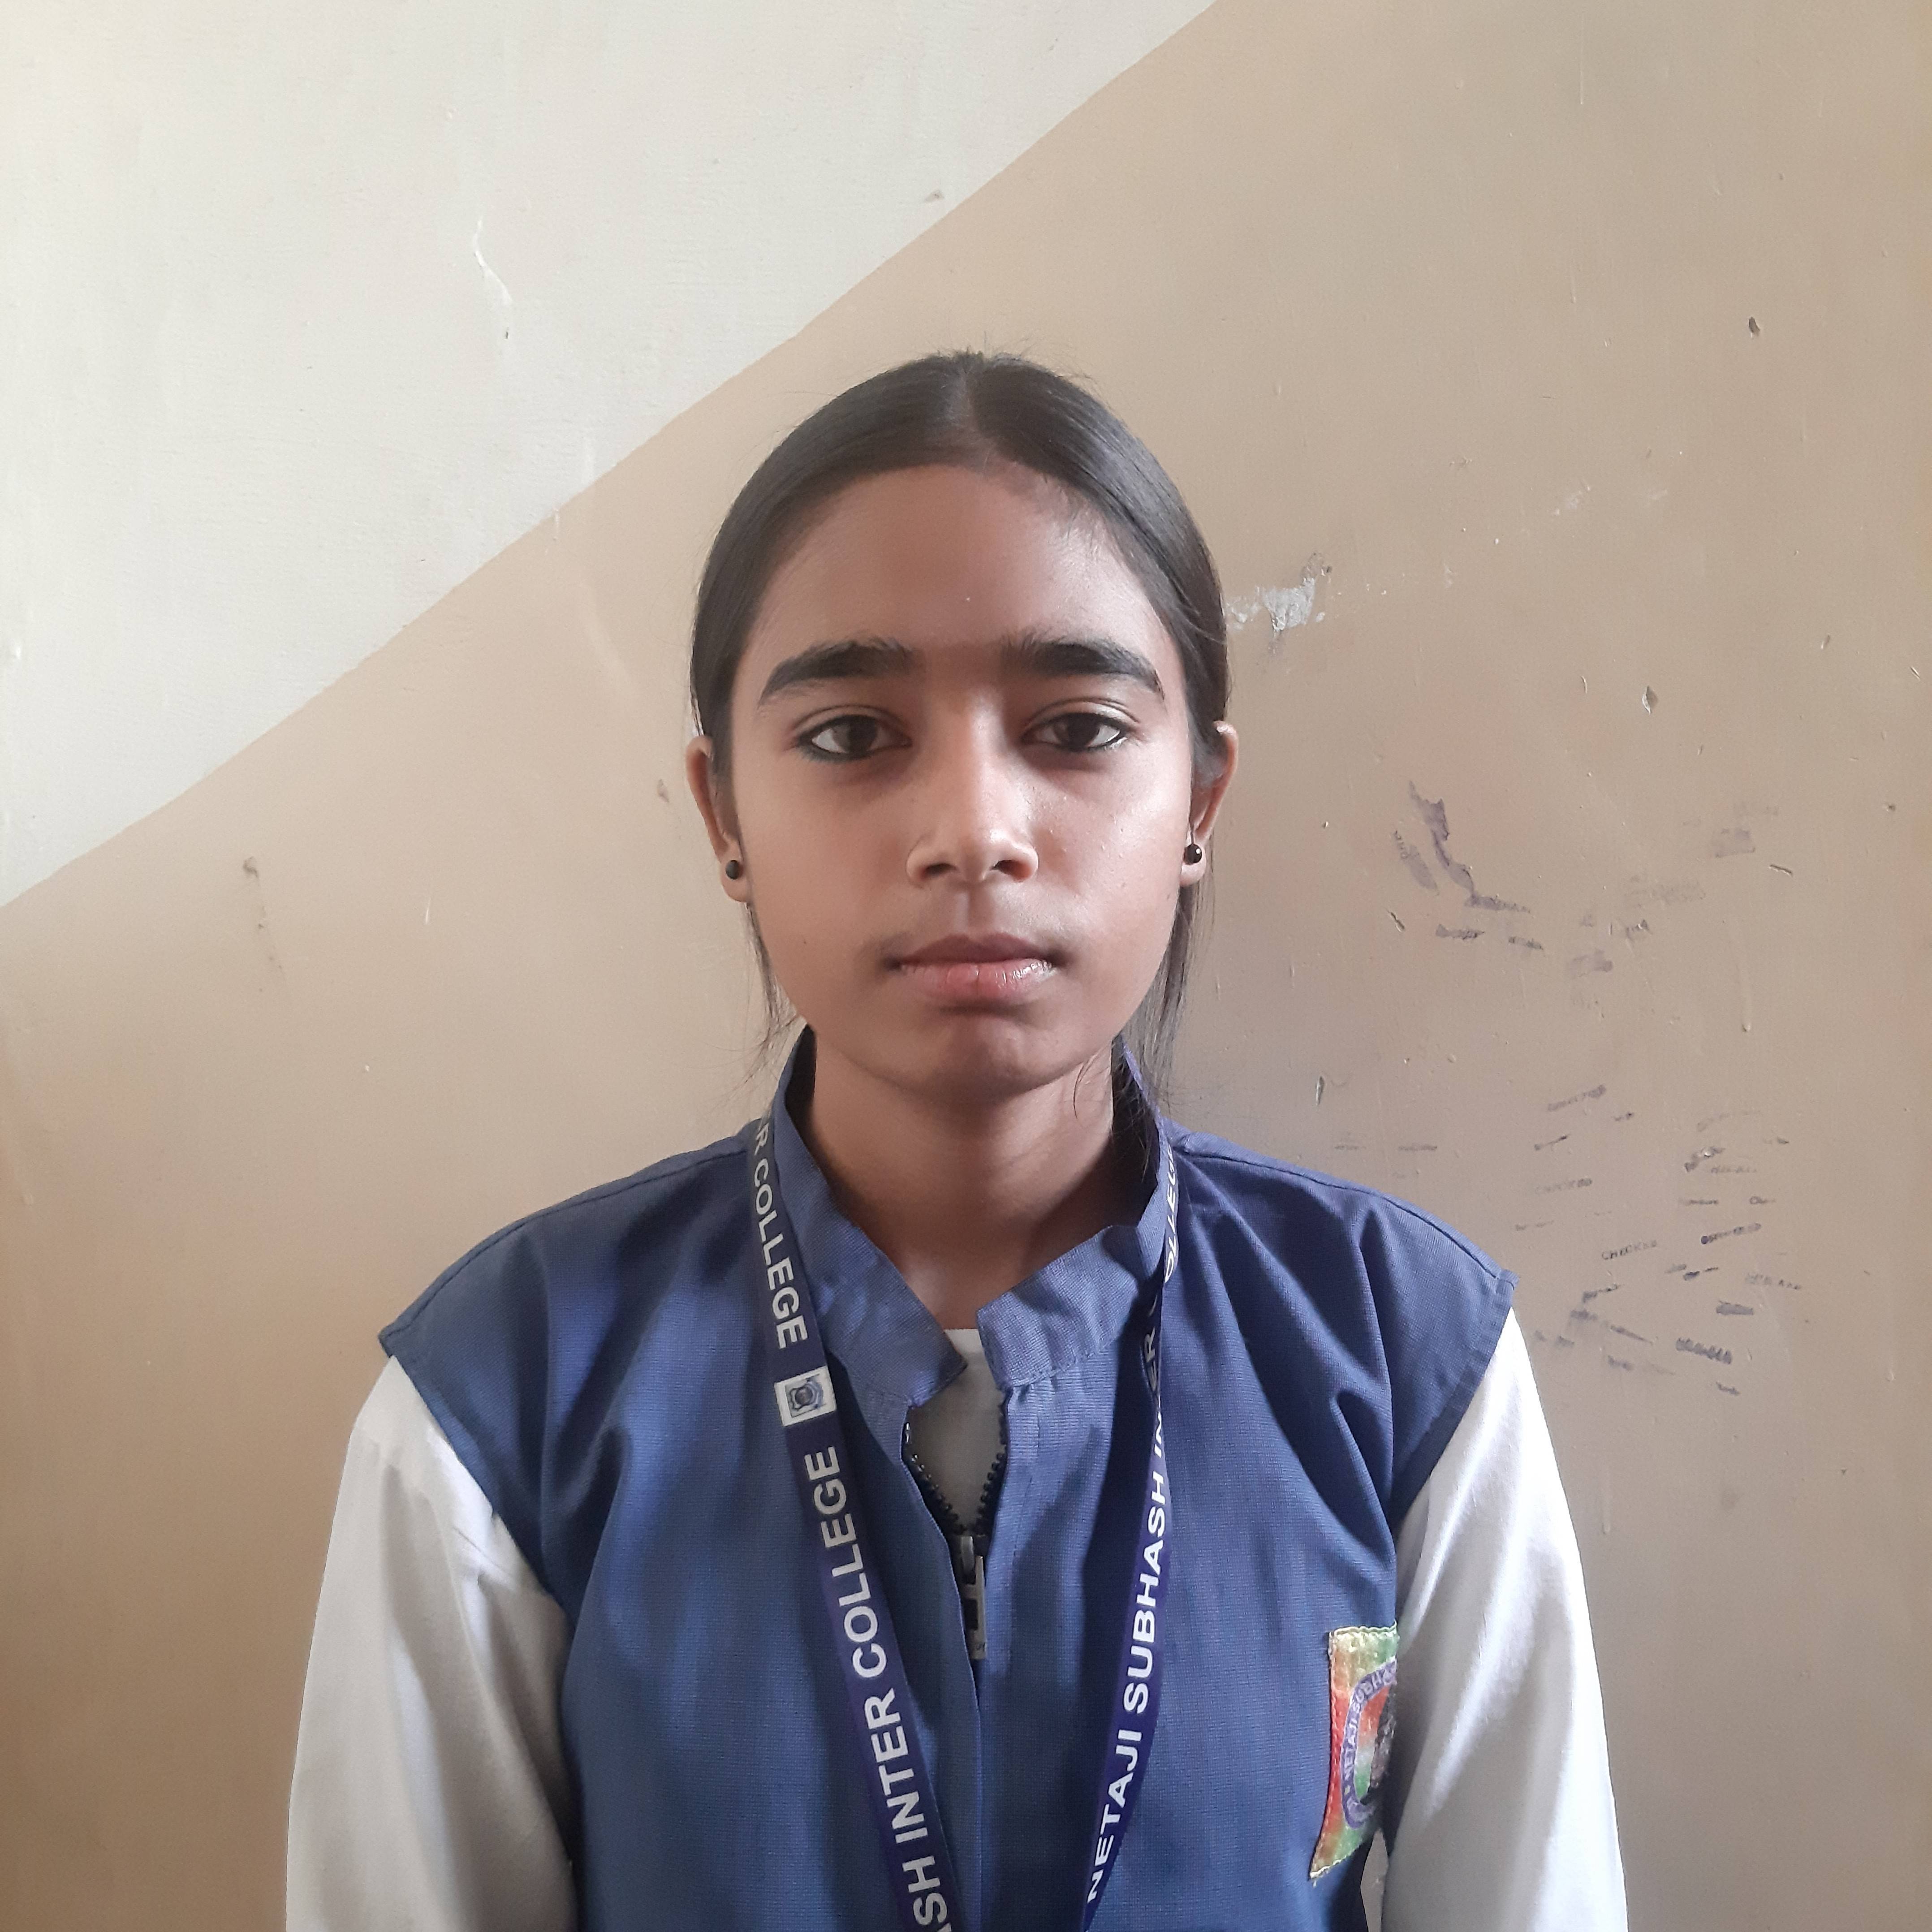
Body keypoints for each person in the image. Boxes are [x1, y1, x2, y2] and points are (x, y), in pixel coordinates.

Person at [287, 352, 1626, 1932]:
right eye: (854, 734)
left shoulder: (1400, 1360)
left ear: (1201, 798)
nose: (974, 831)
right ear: (724, 817)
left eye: (1078, 727)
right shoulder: (506, 1403)